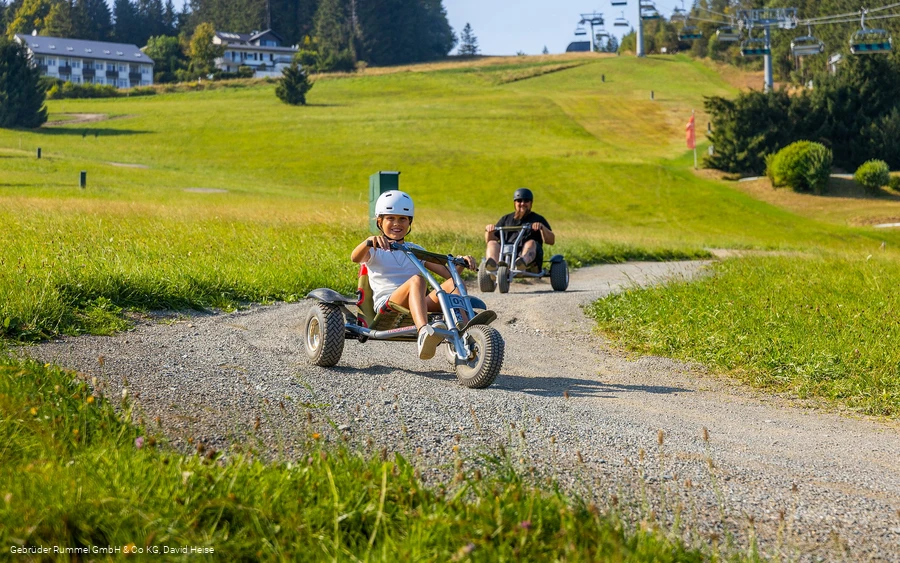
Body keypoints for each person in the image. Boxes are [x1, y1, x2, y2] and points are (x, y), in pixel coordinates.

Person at [351, 190, 476, 360]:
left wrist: (461, 263)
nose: (397, 223)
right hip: (389, 303)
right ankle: (424, 332)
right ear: (379, 221)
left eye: (402, 219)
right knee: (416, 280)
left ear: (409, 221)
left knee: (455, 284)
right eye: (390, 218)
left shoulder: (415, 250)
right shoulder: (374, 249)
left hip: (418, 303)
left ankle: (465, 328)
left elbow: (449, 275)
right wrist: (367, 242)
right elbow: (355, 257)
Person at [483, 187, 555, 272]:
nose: (522, 203)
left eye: (526, 201)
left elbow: (551, 241)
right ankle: (493, 265)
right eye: (519, 201)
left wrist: (542, 228)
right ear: (515, 203)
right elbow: (490, 240)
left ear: (531, 203)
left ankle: (521, 263)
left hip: (529, 257)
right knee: (492, 243)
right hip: (505, 254)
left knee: (531, 242)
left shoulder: (538, 219)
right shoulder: (506, 219)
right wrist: (489, 231)